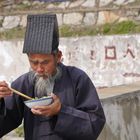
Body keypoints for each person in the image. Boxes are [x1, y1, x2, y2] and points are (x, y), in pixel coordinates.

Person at [0, 14, 105, 140]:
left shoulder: (77, 79)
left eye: (45, 62)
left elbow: (95, 123)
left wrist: (60, 111)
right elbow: (3, 124)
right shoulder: (23, 84)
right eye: (33, 62)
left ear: (58, 57)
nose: (39, 69)